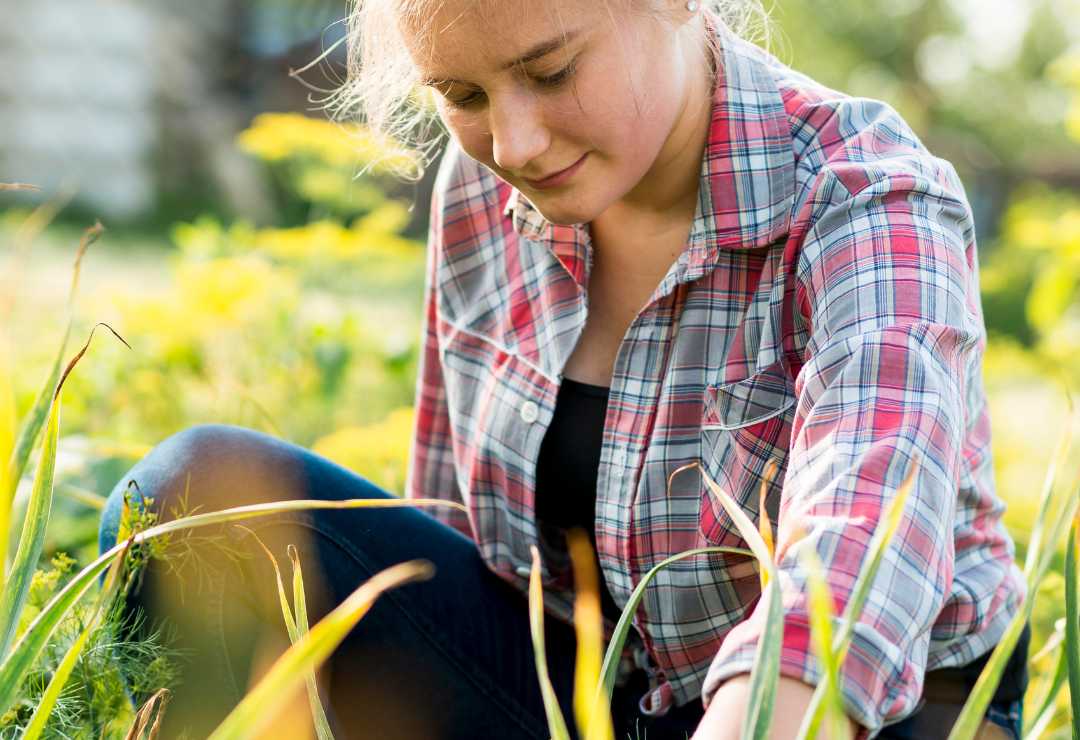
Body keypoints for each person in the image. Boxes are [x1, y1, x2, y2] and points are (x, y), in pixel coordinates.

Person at [98, 1, 1031, 738]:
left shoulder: (864, 195)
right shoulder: (483, 190)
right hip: (586, 690)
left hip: (862, 712)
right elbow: (448, 530)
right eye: (462, 96)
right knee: (188, 499)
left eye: (550, 72)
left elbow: (864, 536)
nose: (516, 144)